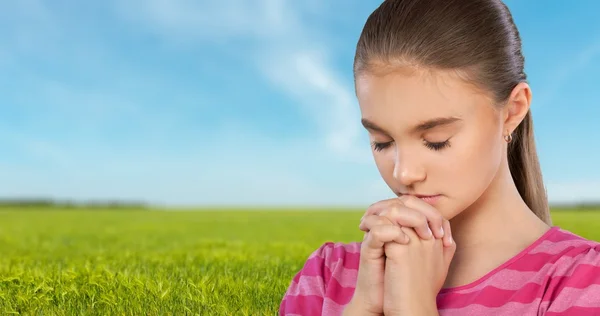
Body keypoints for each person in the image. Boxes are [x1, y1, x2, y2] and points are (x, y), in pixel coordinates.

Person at [278, 0, 600, 315]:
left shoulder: (580, 283)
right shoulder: (325, 277)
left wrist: (414, 307)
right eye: (382, 142)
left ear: (512, 111)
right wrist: (363, 307)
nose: (404, 174)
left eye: (436, 141)